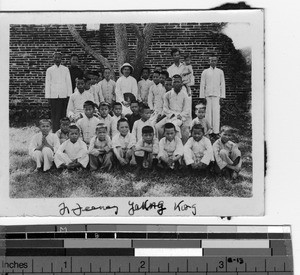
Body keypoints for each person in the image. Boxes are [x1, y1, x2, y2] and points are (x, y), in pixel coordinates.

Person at [156, 75, 190, 142]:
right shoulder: (167, 95)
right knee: (158, 127)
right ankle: (161, 143)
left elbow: (186, 109)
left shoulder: (185, 95)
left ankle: (177, 143)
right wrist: (171, 115)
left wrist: (181, 115)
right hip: (170, 116)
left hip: (180, 116)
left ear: (181, 83)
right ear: (172, 83)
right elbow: (165, 108)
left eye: (178, 82)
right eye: (174, 82)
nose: (176, 84)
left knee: (174, 126)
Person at [45, 51, 72, 132]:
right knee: (54, 114)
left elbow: (68, 82)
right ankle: (55, 130)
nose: (57, 59)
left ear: (61, 59)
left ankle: (64, 130)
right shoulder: (49, 70)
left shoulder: (65, 69)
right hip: (53, 95)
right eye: (55, 57)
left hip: (63, 95)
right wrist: (48, 96)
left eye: (59, 57)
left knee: (63, 114)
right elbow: (48, 83)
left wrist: (69, 94)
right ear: (53, 58)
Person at [200, 56, 226, 135]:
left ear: (216, 61)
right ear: (209, 61)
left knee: (216, 113)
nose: (213, 62)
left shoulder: (220, 72)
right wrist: (202, 96)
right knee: (208, 114)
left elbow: (222, 84)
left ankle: (216, 131)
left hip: (216, 95)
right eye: (211, 61)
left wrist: (222, 96)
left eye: (215, 61)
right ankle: (209, 131)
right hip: (208, 95)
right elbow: (202, 84)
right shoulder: (205, 72)